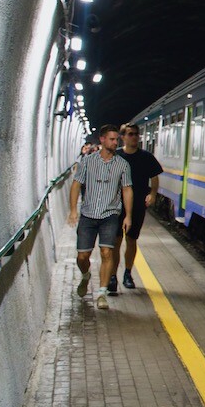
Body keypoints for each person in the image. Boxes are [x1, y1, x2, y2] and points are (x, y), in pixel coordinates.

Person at [67, 124, 132, 310]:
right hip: (88, 215)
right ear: (102, 140)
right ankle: (86, 275)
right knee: (82, 256)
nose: (115, 142)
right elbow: (76, 185)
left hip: (110, 215)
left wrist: (128, 216)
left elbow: (127, 190)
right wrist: (73, 210)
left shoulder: (122, 165)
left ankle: (102, 293)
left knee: (106, 252)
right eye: (112, 139)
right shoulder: (87, 162)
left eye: (116, 139)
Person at [114, 123, 164, 292]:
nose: (134, 137)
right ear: (123, 137)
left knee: (131, 239)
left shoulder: (146, 157)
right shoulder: (116, 156)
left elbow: (155, 177)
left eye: (136, 134)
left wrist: (153, 194)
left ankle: (127, 273)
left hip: (137, 206)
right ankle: (112, 275)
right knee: (115, 241)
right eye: (130, 134)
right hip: (116, 205)